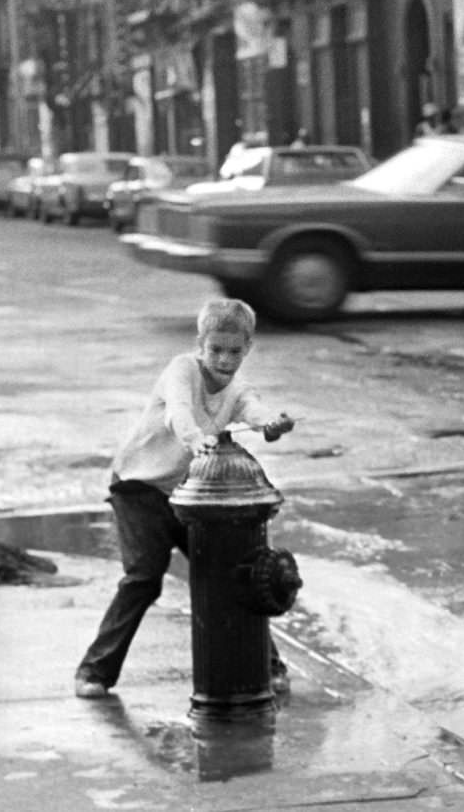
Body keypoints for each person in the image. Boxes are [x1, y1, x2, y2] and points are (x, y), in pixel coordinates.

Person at [74, 298, 297, 699]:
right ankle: (94, 671)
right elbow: (179, 411)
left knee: (230, 570)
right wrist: (196, 439)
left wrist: (271, 424)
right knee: (144, 577)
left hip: (187, 494)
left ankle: (269, 665)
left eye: (234, 351)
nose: (224, 360)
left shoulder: (237, 388)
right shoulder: (182, 369)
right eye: (215, 350)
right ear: (200, 344)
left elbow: (253, 410)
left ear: (248, 348)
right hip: (138, 486)